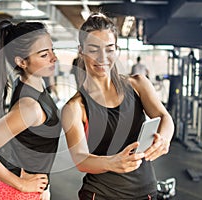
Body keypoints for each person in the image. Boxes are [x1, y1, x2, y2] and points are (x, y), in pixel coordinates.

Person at [61, 12, 174, 200]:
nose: (102, 57)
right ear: (81, 50)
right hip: (103, 194)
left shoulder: (138, 84)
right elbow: (80, 159)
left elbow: (164, 117)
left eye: (109, 49)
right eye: (94, 49)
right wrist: (112, 163)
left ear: (117, 50)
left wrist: (164, 138)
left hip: (146, 192)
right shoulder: (75, 107)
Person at [0, 20, 61, 200]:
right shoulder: (29, 107)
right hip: (15, 193)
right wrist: (22, 185)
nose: (53, 58)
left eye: (52, 50)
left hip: (32, 190)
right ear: (22, 62)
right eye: (43, 55)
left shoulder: (34, 85)